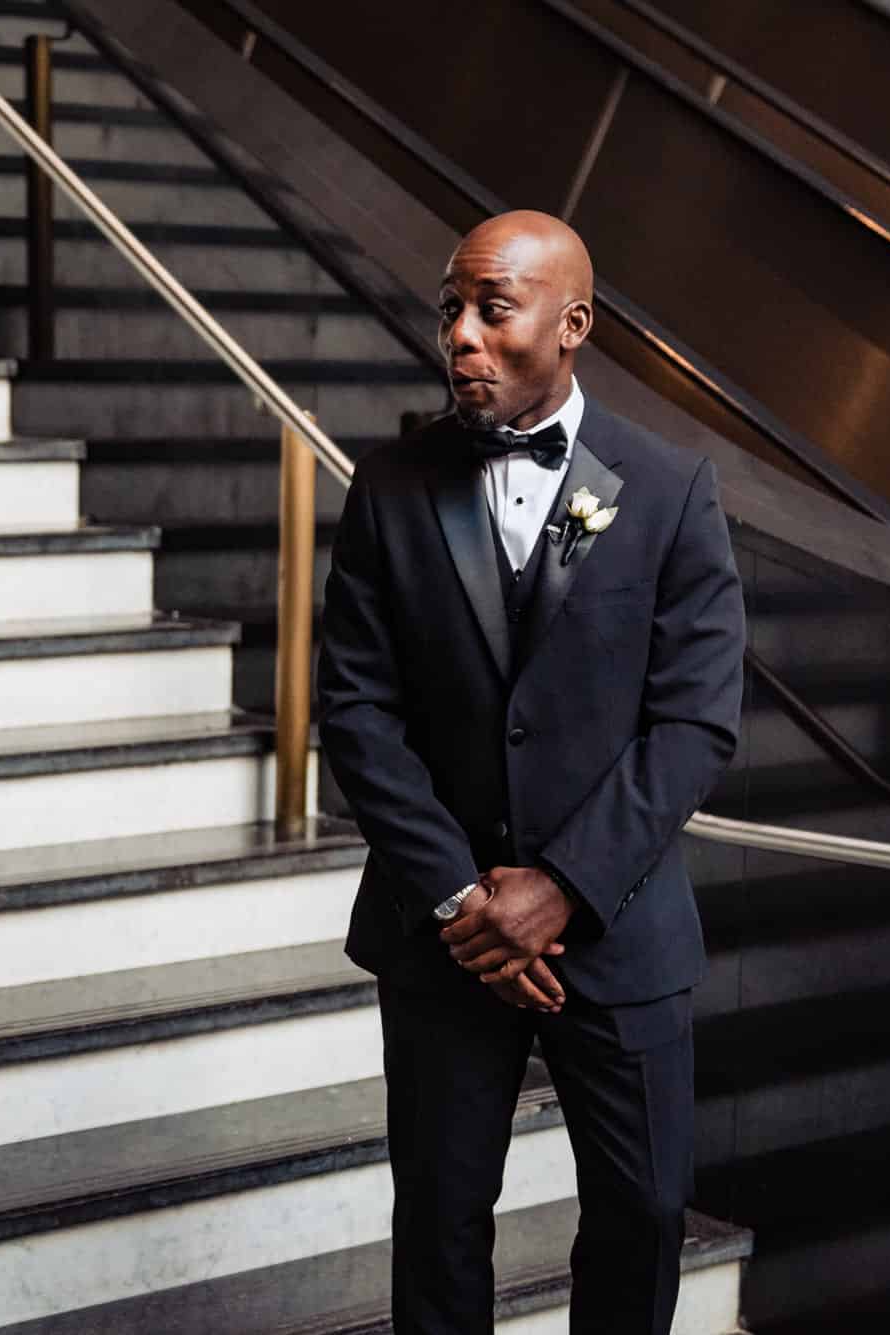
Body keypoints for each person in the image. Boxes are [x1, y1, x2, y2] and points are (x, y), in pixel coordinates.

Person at [318, 211, 745, 1335]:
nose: (458, 335)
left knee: (643, 1211)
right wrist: (467, 902)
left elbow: (695, 719)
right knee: (441, 1223)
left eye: (490, 310)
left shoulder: (667, 488)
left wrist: (556, 886)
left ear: (572, 325)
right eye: (448, 310)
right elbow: (356, 712)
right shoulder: (391, 487)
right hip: (441, 933)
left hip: (618, 927)